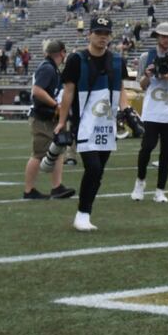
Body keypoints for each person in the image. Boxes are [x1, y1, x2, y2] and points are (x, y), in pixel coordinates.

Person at [55, 15, 129, 232]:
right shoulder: (77, 59)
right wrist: (62, 121)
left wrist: (127, 111)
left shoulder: (116, 61)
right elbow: (68, 91)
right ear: (90, 34)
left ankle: (85, 212)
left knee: (99, 171)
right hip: (84, 121)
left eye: (106, 34)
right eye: (98, 33)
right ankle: (82, 214)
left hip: (106, 122)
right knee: (93, 168)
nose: (103, 38)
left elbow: (121, 89)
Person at [132, 21, 168, 203]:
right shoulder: (145, 57)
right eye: (163, 36)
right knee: (147, 146)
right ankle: (140, 182)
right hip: (152, 109)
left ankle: (160, 189)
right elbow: (141, 85)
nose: (166, 40)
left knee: (167, 151)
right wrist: (148, 75)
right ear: (157, 37)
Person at [23, 38, 76, 200]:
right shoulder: (48, 68)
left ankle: (57, 187)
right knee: (39, 154)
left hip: (48, 117)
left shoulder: (51, 67)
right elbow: (37, 91)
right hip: (41, 118)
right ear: (61, 53)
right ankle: (29, 190)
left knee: (57, 151)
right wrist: (56, 105)